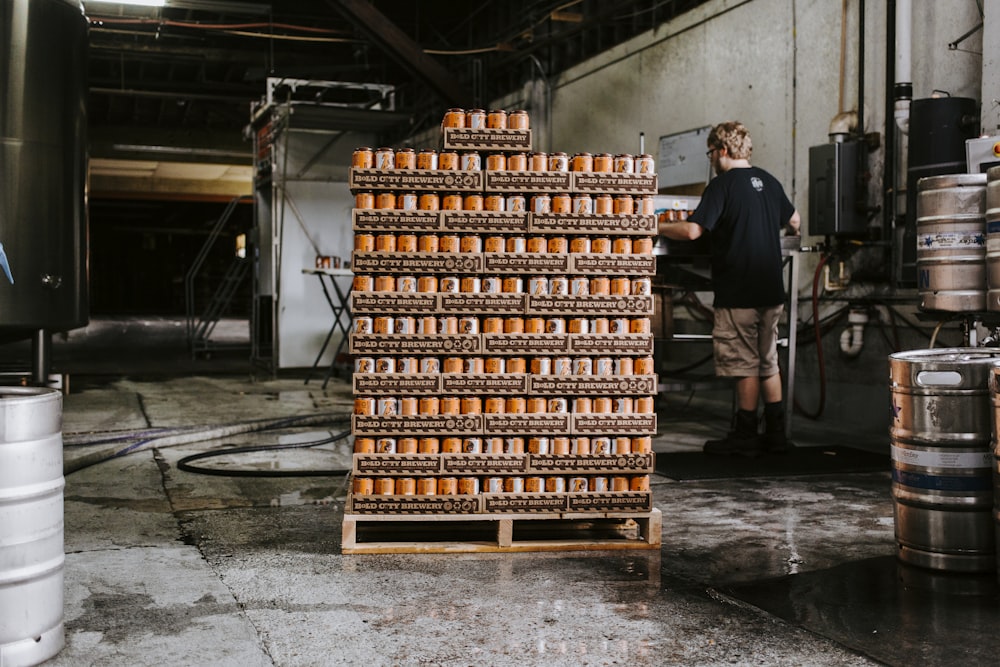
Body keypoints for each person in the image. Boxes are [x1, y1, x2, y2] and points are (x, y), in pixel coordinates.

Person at [659, 121, 800, 457]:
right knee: (768, 361)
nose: (711, 159)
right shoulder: (769, 181)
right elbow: (794, 221)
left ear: (721, 150)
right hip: (770, 288)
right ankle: (777, 434)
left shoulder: (722, 186)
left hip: (739, 288)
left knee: (743, 363)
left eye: (710, 153)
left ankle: (745, 433)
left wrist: (657, 224)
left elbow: (693, 231)